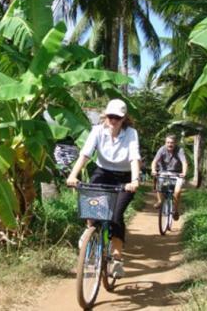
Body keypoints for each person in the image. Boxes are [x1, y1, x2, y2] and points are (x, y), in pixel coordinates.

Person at [66, 99, 140, 278]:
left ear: (123, 119)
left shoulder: (131, 133)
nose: (113, 120)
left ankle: (116, 260)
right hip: (103, 172)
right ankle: (90, 229)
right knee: (91, 203)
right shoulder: (97, 131)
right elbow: (85, 154)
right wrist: (73, 175)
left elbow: (134, 158)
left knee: (115, 216)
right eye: (110, 116)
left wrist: (135, 180)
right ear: (105, 116)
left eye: (117, 117)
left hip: (125, 177)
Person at [151, 134, 187, 220]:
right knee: (159, 185)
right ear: (165, 143)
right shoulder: (162, 149)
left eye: (172, 142)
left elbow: (184, 162)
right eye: (168, 142)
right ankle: (160, 201)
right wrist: (153, 170)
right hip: (164, 172)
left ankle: (175, 210)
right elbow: (154, 161)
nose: (170, 144)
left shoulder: (179, 150)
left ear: (175, 143)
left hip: (177, 173)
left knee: (177, 192)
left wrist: (184, 172)